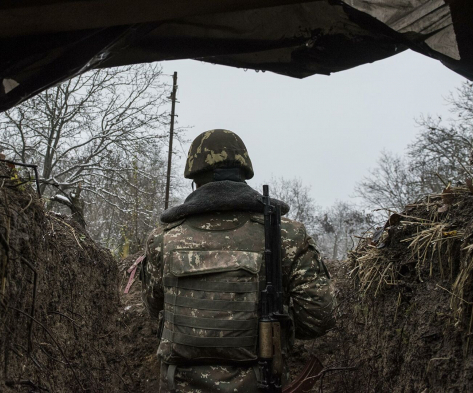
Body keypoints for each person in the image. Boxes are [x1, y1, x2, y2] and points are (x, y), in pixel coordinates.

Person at [141, 129, 336, 392]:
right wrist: (274, 325)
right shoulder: (286, 234)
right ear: (244, 173)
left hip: (179, 384)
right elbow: (318, 317)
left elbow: (154, 308)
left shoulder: (162, 239)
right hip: (259, 382)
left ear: (194, 179)